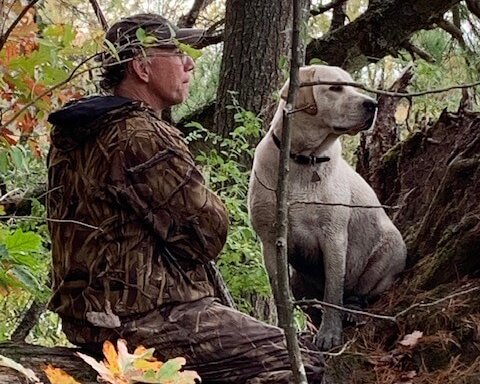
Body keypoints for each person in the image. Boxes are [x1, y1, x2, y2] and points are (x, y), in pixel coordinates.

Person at [46, 13, 324, 383]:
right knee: (305, 363)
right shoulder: (139, 135)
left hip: (89, 319)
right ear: (141, 67)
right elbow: (208, 234)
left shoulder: (78, 133)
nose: (190, 63)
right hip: (147, 320)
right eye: (177, 52)